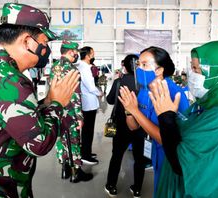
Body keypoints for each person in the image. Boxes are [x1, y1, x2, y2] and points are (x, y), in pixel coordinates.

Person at [0, 3, 80, 197]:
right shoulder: (9, 80)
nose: (46, 49)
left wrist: (49, 99)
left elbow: (16, 118)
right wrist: (58, 105)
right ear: (28, 42)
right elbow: (39, 143)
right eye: (45, 42)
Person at [144, 41, 218, 197]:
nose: (192, 74)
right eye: (192, 68)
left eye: (197, 69)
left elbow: (180, 162)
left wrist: (166, 117)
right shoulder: (210, 103)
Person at [118, 46, 189, 197]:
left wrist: (135, 110)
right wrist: (128, 110)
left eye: (144, 65)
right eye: (138, 65)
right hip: (154, 151)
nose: (139, 69)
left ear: (159, 70)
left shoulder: (175, 94)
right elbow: (133, 126)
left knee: (168, 191)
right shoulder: (144, 91)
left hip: (171, 156)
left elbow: (166, 139)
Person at [50, 41, 93, 182]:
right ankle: (76, 173)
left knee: (61, 140)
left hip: (56, 111)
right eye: (75, 51)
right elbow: (75, 95)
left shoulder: (54, 67)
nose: (77, 54)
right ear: (70, 52)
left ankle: (65, 169)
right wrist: (79, 116)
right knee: (74, 140)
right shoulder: (72, 69)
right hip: (70, 113)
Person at [105, 55, 145, 197]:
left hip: (121, 125)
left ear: (125, 66)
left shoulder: (118, 82)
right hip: (141, 124)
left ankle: (111, 186)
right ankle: (137, 189)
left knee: (116, 155)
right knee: (139, 158)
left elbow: (110, 101)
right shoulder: (144, 83)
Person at [78, 46, 102, 165]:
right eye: (92, 53)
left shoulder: (83, 66)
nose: (93, 55)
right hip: (89, 102)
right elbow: (90, 87)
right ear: (87, 55)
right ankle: (85, 155)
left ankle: (86, 151)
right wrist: (100, 92)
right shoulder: (85, 68)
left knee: (88, 129)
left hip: (88, 100)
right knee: (88, 130)